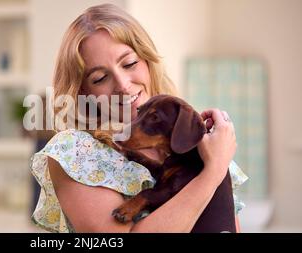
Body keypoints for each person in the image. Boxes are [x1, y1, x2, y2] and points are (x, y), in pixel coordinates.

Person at [30, 3, 248, 233]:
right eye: (100, 77)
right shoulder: (75, 152)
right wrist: (212, 172)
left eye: (129, 63)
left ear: (148, 61)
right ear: (83, 92)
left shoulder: (202, 144)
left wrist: (216, 162)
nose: (123, 85)